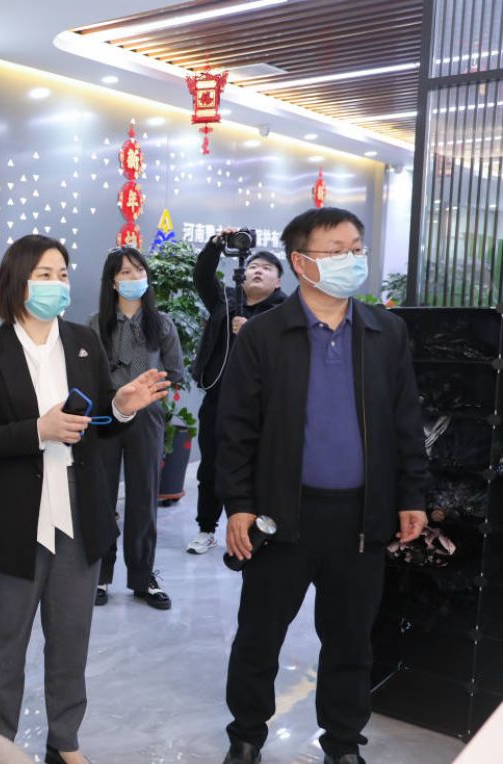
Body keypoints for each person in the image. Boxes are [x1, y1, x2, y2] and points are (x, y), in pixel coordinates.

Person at [217, 207, 429, 764]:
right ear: (301, 261)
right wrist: (239, 505)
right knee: (259, 635)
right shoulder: (265, 335)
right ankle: (246, 735)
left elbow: (406, 422)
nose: (351, 259)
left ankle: (342, 743)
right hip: (281, 516)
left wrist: (412, 495)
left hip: (361, 518)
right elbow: (235, 429)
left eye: (356, 248)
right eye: (336, 250)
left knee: (351, 640)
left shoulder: (386, 332)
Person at [0, 234, 169, 764]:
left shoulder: (82, 341)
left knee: (72, 638)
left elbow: (97, 424)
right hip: (14, 518)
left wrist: (120, 408)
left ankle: (64, 741)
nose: (57, 283)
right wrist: (39, 429)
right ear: (18, 282)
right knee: (6, 642)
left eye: (62, 273)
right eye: (45, 274)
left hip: (79, 511)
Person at [87, 246, 184, 609]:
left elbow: (175, 370)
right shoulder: (96, 324)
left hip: (147, 414)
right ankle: (100, 574)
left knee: (144, 494)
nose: (133, 277)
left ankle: (143, 576)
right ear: (113, 282)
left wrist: (148, 390)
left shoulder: (162, 324)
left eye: (139, 270)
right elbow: (87, 371)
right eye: (125, 272)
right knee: (102, 494)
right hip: (107, 413)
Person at [186, 234, 286, 555]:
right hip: (218, 399)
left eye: (267, 268)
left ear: (278, 281)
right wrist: (215, 245)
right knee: (210, 467)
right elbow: (202, 277)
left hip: (261, 406)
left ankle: (252, 530)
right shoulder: (226, 301)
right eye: (254, 266)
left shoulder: (284, 312)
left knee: (257, 468)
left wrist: (251, 331)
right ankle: (206, 528)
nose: (258, 271)